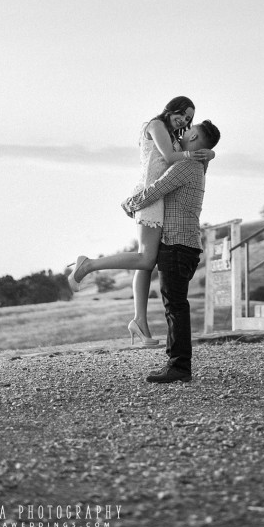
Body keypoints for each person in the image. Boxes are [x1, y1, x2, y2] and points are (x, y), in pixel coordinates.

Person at [68, 119, 220, 383]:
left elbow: (155, 191)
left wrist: (129, 204)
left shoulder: (185, 166)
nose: (184, 131)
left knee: (176, 307)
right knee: (175, 305)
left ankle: (179, 367)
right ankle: (177, 364)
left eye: (189, 130)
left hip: (177, 245)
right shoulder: (198, 166)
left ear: (195, 137)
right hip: (186, 245)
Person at [121, 96, 214, 347]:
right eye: (181, 114)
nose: (183, 120)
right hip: (148, 195)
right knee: (145, 259)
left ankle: (140, 322)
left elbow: (186, 162)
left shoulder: (173, 135)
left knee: (146, 263)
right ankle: (88, 265)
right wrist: (200, 154)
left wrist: (209, 154)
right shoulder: (156, 125)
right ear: (171, 108)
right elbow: (171, 158)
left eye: (188, 119)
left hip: (158, 198)